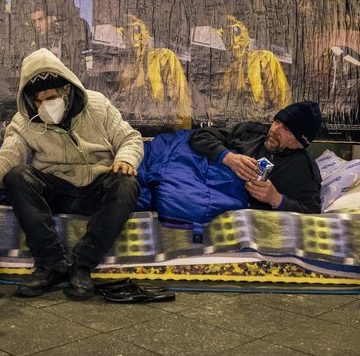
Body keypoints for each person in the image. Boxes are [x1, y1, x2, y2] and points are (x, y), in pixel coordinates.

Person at [0, 48, 143, 300]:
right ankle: (51, 263)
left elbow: (130, 138)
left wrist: (125, 159)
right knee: (17, 176)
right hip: (55, 188)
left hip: (96, 185)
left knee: (127, 183)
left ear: (66, 90)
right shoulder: (23, 121)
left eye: (51, 96)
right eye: (39, 99)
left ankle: (82, 266)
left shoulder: (98, 105)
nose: (45, 104)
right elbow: (9, 155)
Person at [189, 101, 322, 213]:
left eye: (286, 129)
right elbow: (200, 136)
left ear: (299, 143)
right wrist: (228, 158)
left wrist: (276, 199)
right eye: (277, 121)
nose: (275, 130)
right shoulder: (251, 133)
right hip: (201, 188)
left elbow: (312, 211)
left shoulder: (304, 168)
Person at [117, 13, 192, 129]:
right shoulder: (122, 66)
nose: (127, 33)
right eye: (123, 29)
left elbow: (181, 104)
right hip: (130, 133)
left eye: (135, 28)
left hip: (162, 134)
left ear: (146, 31)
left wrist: (180, 137)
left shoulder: (164, 58)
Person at [217, 15, 292, 114]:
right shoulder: (228, 69)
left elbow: (281, 98)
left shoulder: (264, 58)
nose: (231, 40)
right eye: (225, 36)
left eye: (235, 32)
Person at [27, 0, 92, 77]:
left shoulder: (64, 37)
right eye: (34, 21)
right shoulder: (33, 43)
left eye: (40, 19)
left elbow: (78, 63)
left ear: (50, 18)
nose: (37, 25)